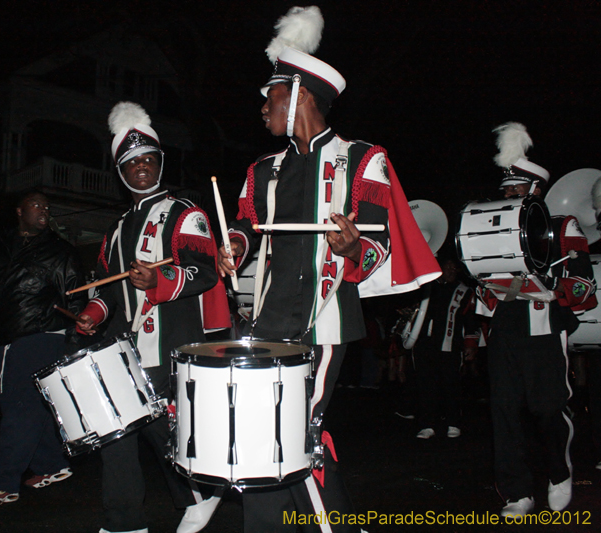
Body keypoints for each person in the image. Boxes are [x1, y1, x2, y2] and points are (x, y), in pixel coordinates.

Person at [216, 6, 440, 532]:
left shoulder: (363, 160)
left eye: (269, 97)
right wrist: (232, 246)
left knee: (292, 431)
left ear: (300, 96)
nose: (262, 107)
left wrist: (349, 246)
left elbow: (378, 246)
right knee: (268, 434)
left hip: (326, 321)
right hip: (267, 322)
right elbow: (248, 226)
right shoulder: (261, 170)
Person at [75, 101, 231, 533]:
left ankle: (199, 494)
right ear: (121, 172)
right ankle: (124, 522)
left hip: (174, 340)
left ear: (160, 163)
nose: (141, 167)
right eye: (131, 163)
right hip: (126, 346)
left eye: (148, 160)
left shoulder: (186, 213)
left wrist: (159, 281)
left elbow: (202, 270)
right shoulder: (117, 229)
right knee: (117, 431)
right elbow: (109, 288)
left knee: (161, 428)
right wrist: (92, 312)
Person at [474, 122, 597, 517]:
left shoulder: (563, 227)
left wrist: (552, 290)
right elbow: (480, 272)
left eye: (517, 188)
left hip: (545, 323)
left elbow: (583, 283)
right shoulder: (492, 223)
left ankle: (559, 474)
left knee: (547, 408)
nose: (509, 193)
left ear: (535, 190)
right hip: (506, 324)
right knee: (505, 409)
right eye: (506, 188)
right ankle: (516, 492)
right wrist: (486, 288)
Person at [0, 190, 86, 506]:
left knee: (19, 410)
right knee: (26, 407)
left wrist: (75, 337)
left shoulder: (58, 250)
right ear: (19, 211)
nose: (44, 209)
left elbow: (77, 296)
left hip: (41, 335)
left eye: (47, 206)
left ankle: (2, 483)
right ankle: (51, 464)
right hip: (5, 338)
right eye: (36, 204)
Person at [412, 254, 479, 439]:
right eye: (448, 267)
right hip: (425, 345)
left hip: (451, 346)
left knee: (451, 385)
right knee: (426, 385)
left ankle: (453, 423)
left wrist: (470, 344)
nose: (451, 270)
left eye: (454, 268)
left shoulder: (464, 291)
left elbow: (470, 319)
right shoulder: (426, 287)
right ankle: (427, 425)